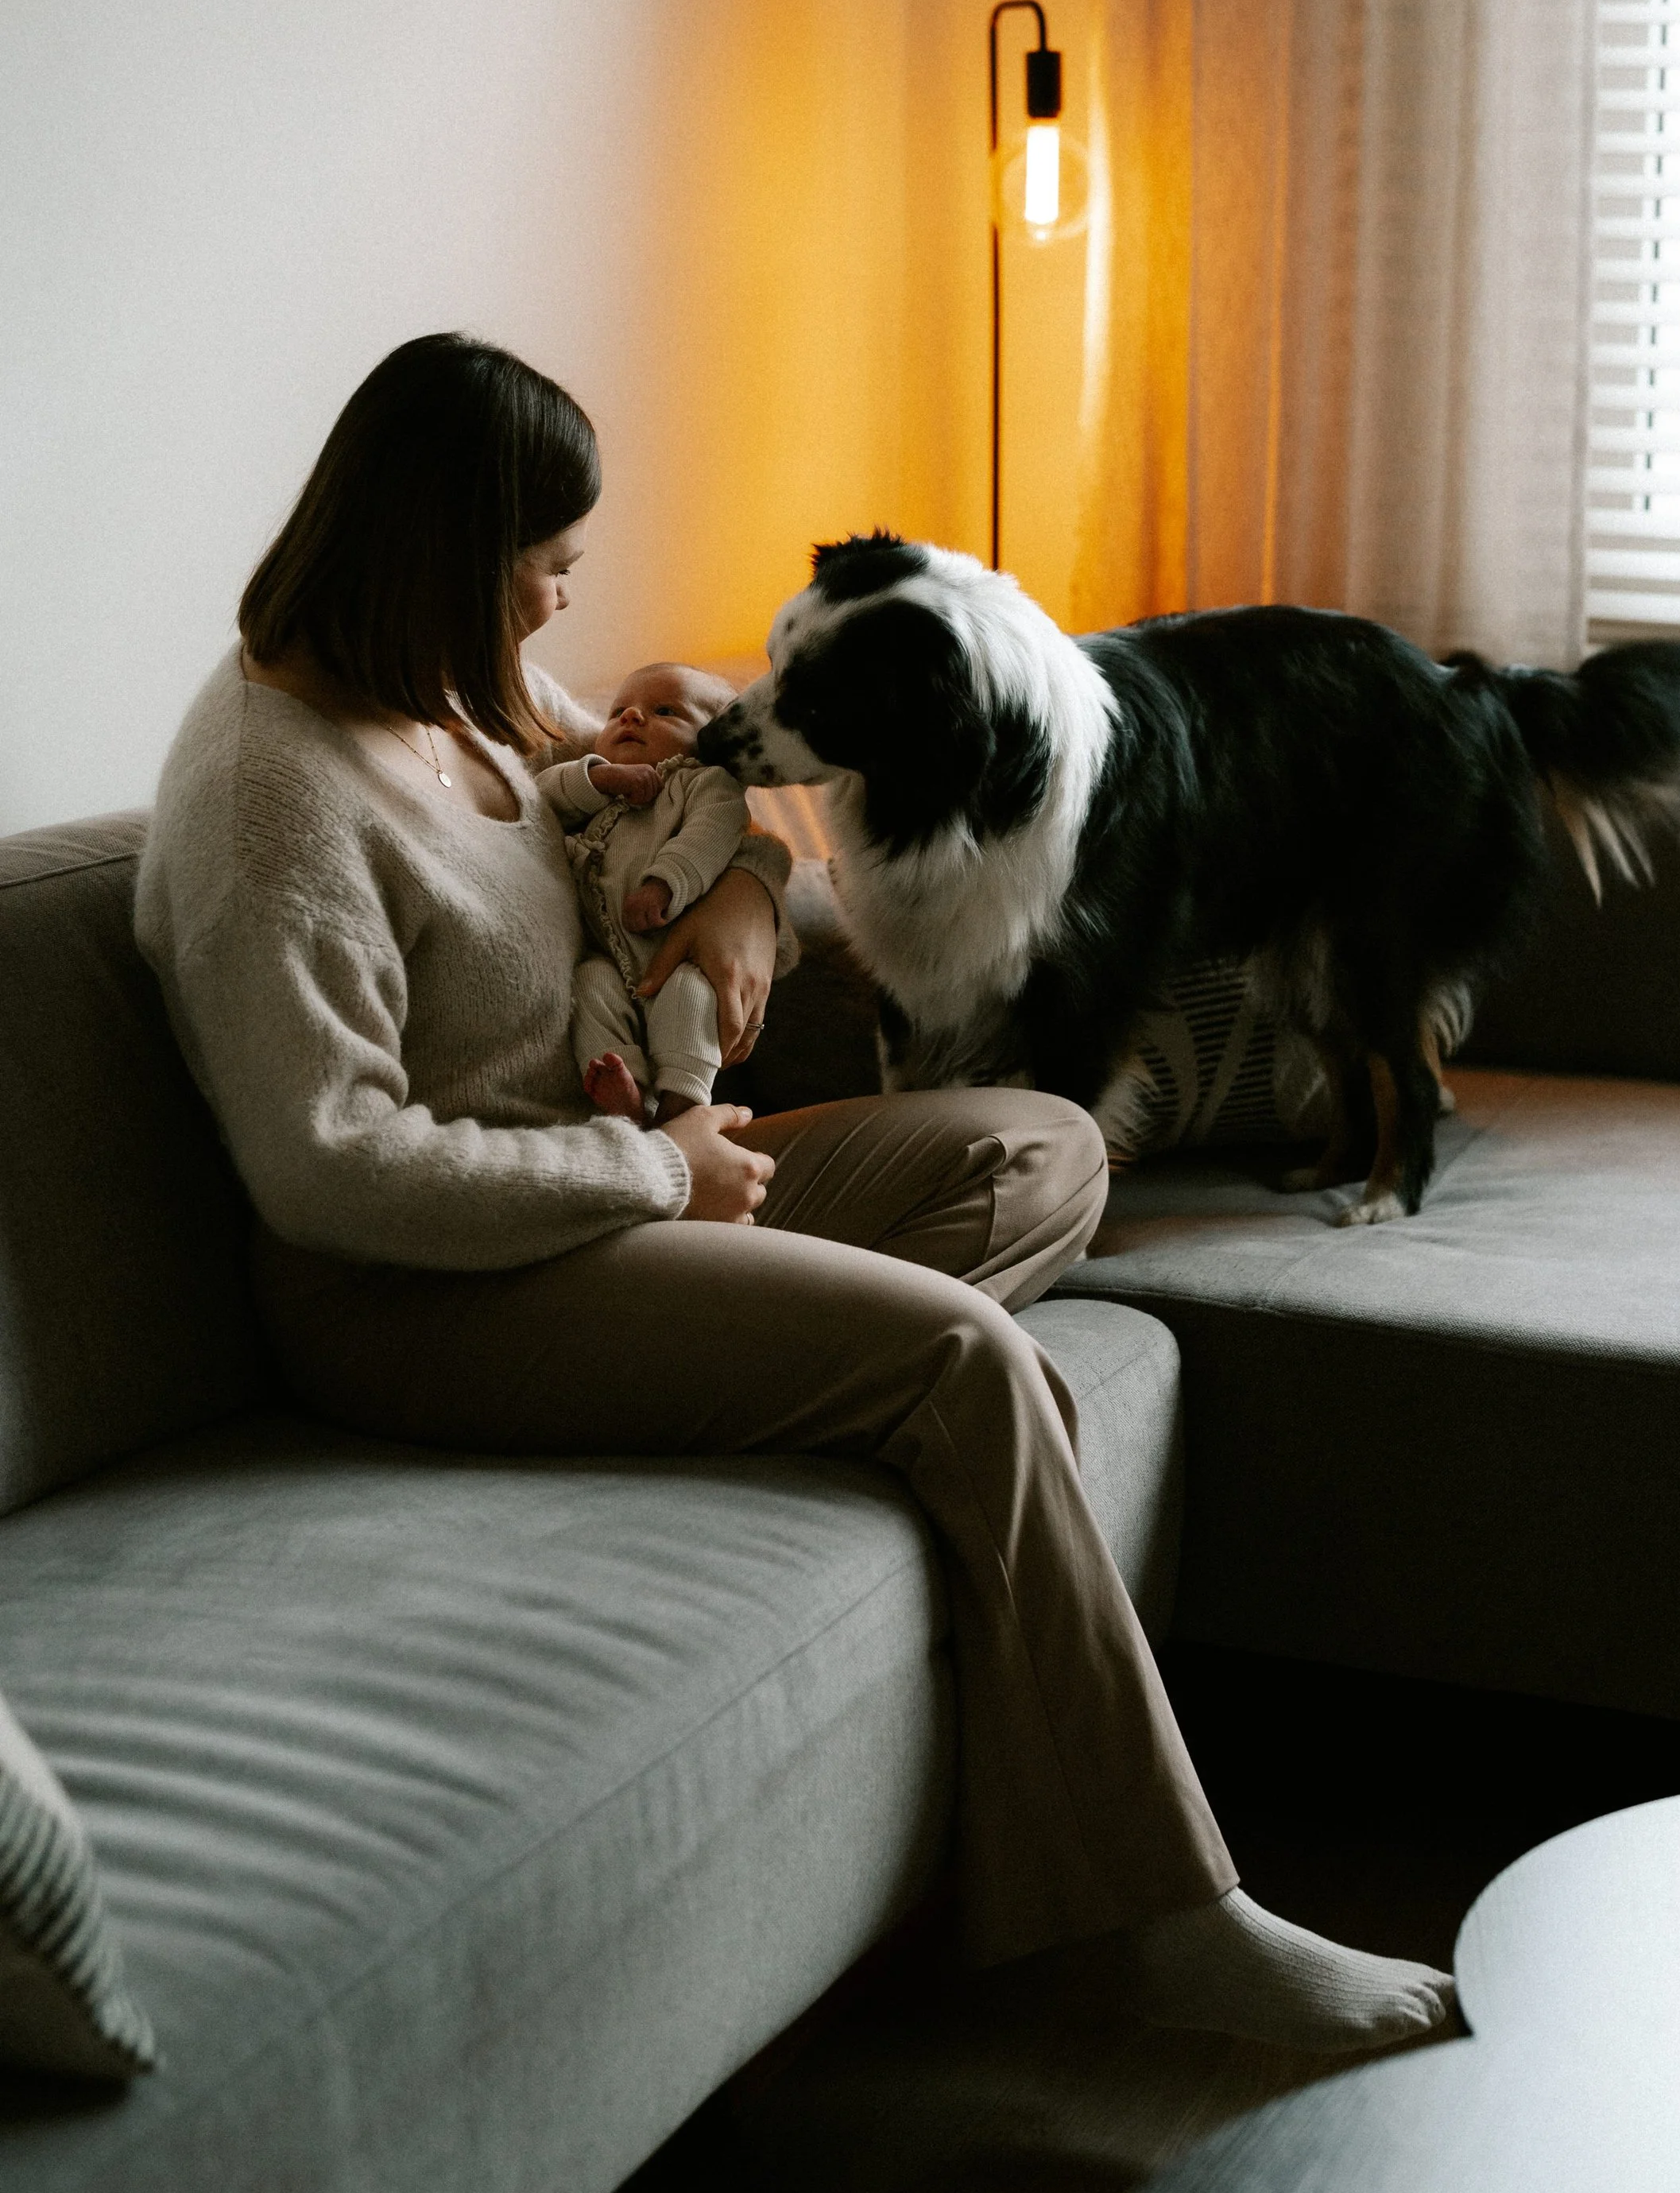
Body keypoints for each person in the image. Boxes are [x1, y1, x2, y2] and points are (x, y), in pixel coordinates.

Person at [134, 331, 1450, 2054]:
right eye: (541, 574)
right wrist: (647, 1171)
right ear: (442, 558)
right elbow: (330, 1171)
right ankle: (1161, 1931)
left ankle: (791, 1376)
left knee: (1041, 1144)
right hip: (424, 1295)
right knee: (969, 1369)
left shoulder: (449, 694)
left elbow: (692, 787)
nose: (554, 613)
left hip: (618, 1213)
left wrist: (747, 890)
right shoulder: (270, 799)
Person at [540, 668, 753, 1124]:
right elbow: (537, 800)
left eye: (664, 711)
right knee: (590, 988)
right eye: (617, 711)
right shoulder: (597, 790)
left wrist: (664, 884)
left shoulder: (703, 784)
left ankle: (682, 1103)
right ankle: (626, 1094)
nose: (631, 716)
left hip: (677, 952)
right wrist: (598, 779)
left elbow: (710, 835)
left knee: (692, 997)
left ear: (710, 740)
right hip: (607, 959)